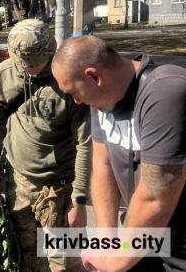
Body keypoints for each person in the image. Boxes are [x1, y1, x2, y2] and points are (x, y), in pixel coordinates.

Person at [52, 36, 186, 271]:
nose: (76, 101)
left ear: (94, 76)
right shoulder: (102, 101)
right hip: (146, 239)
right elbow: (103, 164)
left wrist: (115, 263)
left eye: (74, 91)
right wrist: (107, 241)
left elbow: (157, 199)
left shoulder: (167, 91)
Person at [0, 19, 91, 272]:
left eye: (34, 63)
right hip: (18, 183)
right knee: (28, 258)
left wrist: (79, 200)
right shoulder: (4, 74)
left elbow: (86, 143)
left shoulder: (69, 79)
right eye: (22, 62)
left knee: (65, 265)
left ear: (50, 51)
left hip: (60, 188)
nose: (28, 68)